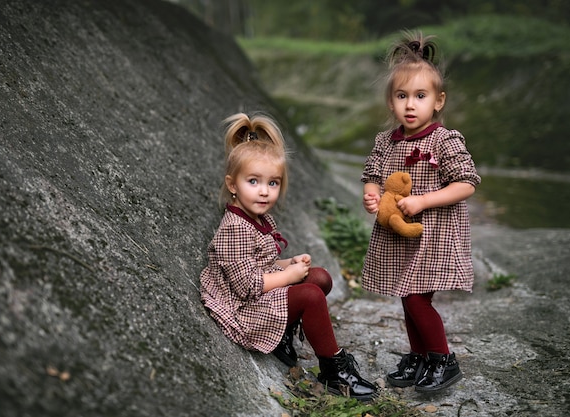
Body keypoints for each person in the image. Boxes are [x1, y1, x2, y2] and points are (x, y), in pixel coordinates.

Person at [200, 112, 378, 401]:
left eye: (273, 183)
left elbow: (263, 263)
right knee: (309, 295)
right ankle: (334, 370)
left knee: (319, 277)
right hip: (242, 309)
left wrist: (290, 263)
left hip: (258, 292)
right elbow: (246, 286)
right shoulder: (234, 229)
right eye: (254, 181)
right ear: (232, 185)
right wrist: (288, 277)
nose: (264, 192)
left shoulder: (258, 218)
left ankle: (282, 333)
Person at [360, 31, 481, 393]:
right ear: (391, 102)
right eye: (401, 96)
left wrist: (424, 200)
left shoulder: (444, 140)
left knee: (416, 296)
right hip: (398, 235)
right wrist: (371, 196)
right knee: (406, 293)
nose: (410, 105)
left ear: (438, 101)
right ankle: (421, 355)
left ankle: (443, 358)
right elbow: (372, 177)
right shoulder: (386, 142)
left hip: (433, 234)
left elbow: (467, 183)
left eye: (420, 96)